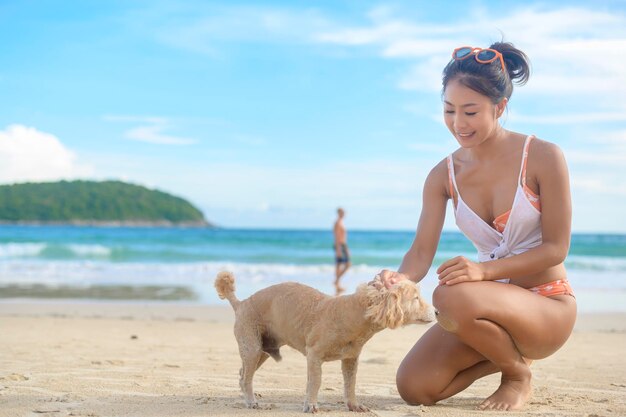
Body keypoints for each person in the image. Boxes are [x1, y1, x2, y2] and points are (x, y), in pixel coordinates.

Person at [375, 42, 576, 411]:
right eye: (449, 110)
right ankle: (506, 353)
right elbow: (420, 253)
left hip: (547, 307)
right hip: (484, 315)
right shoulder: (442, 175)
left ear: (499, 108)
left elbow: (556, 248)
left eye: (470, 111)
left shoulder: (544, 156)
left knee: (449, 294)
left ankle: (516, 374)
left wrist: (483, 271)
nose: (458, 123)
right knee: (414, 387)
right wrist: (399, 278)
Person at [333, 207, 351, 295]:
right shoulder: (337, 223)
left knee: (340, 265)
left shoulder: (341, 222)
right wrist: (338, 249)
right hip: (340, 246)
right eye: (342, 212)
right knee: (345, 265)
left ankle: (337, 284)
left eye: (344, 212)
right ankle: (337, 283)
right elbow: (337, 237)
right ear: (339, 213)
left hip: (342, 245)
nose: (344, 214)